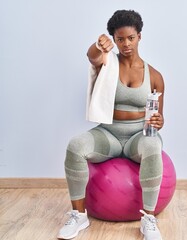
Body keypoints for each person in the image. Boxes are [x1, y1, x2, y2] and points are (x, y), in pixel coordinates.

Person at [57, 10, 165, 240]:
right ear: (114, 39)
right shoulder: (108, 63)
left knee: (154, 146)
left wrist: (159, 120)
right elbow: (92, 56)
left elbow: (159, 116)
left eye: (131, 38)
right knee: (76, 145)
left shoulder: (155, 76)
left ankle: (148, 219)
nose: (126, 44)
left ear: (139, 37)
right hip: (108, 133)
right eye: (120, 39)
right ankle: (79, 215)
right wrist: (98, 45)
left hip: (138, 136)